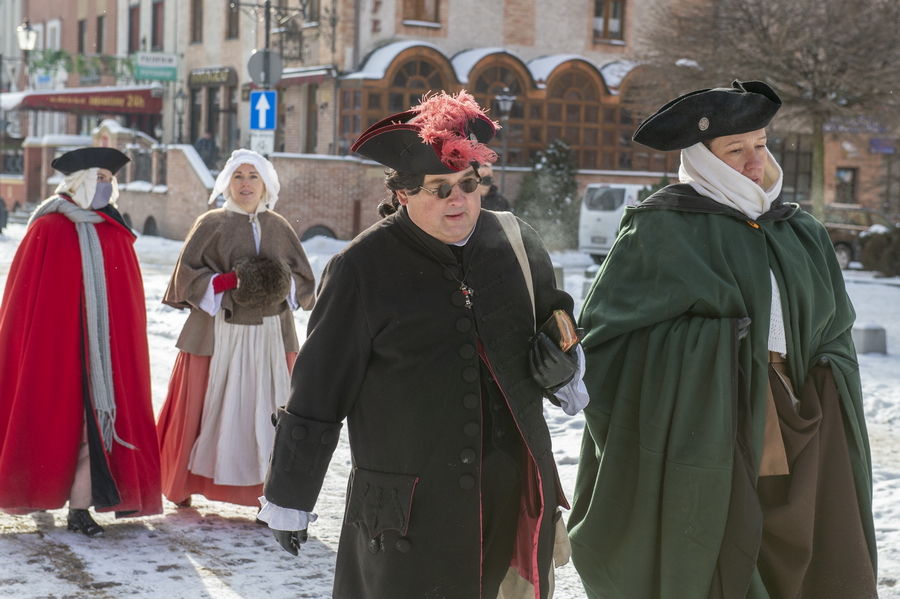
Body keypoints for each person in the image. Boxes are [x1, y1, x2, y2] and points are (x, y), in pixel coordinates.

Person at [259, 90, 589, 599]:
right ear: (405, 193)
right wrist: (289, 495)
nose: (458, 200)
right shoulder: (360, 268)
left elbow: (558, 318)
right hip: (410, 514)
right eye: (439, 189)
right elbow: (319, 389)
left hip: (513, 493)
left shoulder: (517, 242)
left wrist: (563, 363)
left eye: (469, 184)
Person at [568, 80, 877, 598]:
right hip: (709, 432)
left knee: (804, 548)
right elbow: (606, 343)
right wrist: (717, 352)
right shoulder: (662, 230)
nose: (755, 161)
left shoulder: (798, 230)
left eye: (761, 144)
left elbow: (836, 325)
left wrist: (821, 370)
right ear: (703, 158)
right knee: (728, 548)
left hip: (803, 415)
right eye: (737, 150)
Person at [0, 147, 162, 536]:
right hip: (56, 352)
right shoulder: (47, 227)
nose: (106, 186)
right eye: (99, 178)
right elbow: (23, 302)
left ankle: (80, 508)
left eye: (109, 179)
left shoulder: (115, 230)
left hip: (104, 355)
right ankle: (38, 492)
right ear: (79, 182)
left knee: (94, 429)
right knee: (55, 424)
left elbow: (127, 302)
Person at [157, 149, 316, 511]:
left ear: (266, 184)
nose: (246, 184)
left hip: (270, 336)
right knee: (204, 406)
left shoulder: (279, 226)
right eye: (238, 176)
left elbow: (304, 279)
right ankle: (187, 481)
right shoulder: (211, 222)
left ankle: (269, 493)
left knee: (269, 410)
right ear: (228, 182)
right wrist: (229, 280)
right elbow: (186, 277)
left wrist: (277, 281)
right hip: (219, 331)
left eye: (253, 176)